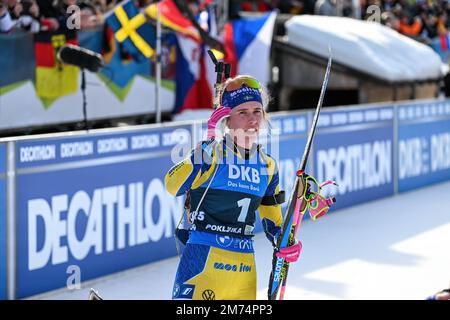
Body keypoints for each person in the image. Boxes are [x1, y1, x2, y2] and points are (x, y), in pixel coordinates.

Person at [165, 75, 301, 300]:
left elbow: (273, 221)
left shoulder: (267, 165)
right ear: (227, 119)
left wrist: (285, 241)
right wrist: (203, 149)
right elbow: (172, 185)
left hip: (244, 269)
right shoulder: (213, 154)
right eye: (242, 112)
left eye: (257, 111)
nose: (252, 120)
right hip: (203, 263)